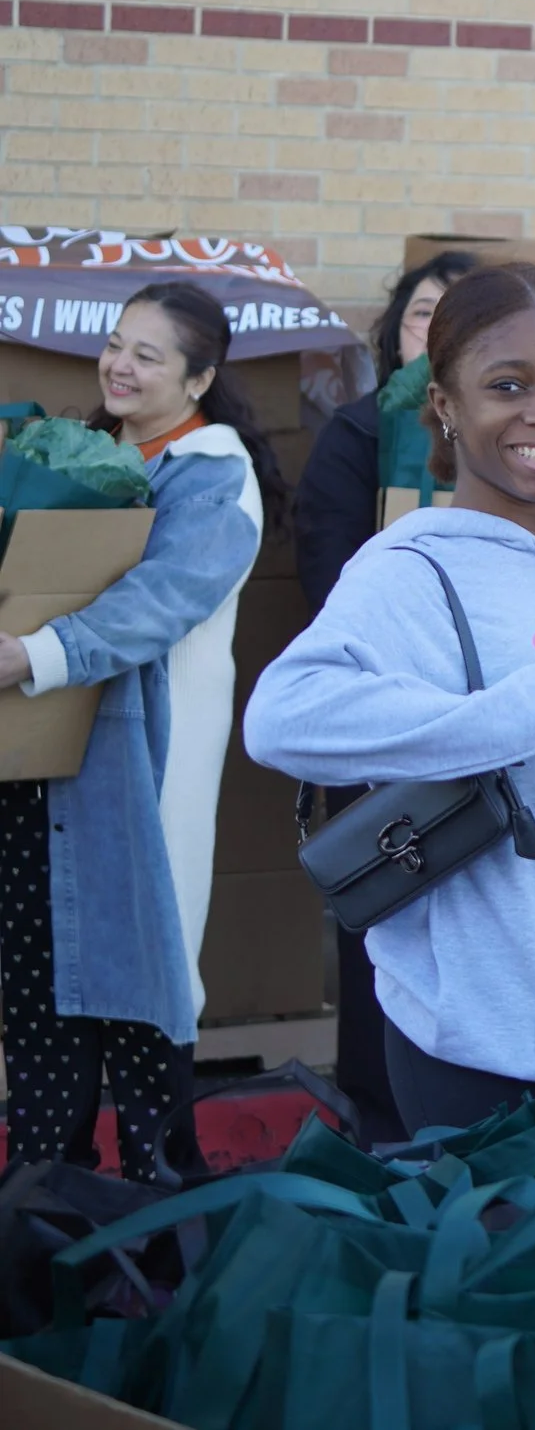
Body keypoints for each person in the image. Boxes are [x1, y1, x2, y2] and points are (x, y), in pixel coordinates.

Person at [245, 265, 535, 1133]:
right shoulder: (413, 567)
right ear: (444, 404)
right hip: (496, 1051)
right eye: (507, 385)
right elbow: (282, 717)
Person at [0, 281, 285, 1177]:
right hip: (43, 752)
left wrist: (34, 651)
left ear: (199, 378)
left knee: (141, 977)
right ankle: (46, 1195)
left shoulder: (214, 474)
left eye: (147, 354)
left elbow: (159, 602)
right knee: (40, 977)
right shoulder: (88, 455)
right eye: (115, 344)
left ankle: (156, 1203)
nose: (118, 365)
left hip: (140, 769)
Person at [289, 249, 478, 1142]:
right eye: (422, 314)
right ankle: (377, 1124)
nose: (437, 331)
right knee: (382, 922)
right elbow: (326, 577)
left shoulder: (531, 444)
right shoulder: (356, 434)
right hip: (383, 729)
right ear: (396, 333)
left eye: (462, 315)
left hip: (503, 729)